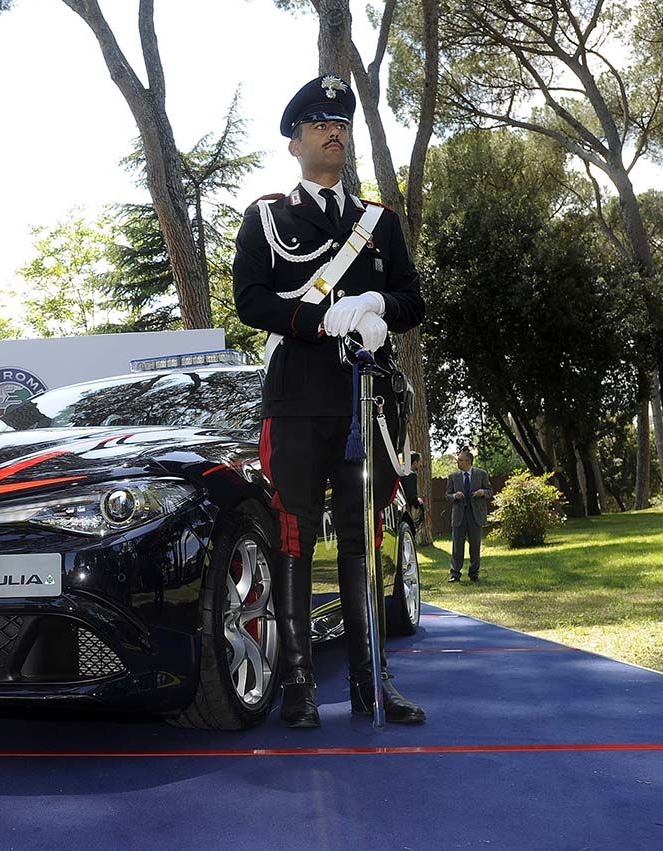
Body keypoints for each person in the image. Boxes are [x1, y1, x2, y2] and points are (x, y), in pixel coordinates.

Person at [232, 74, 427, 727]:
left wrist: (376, 304)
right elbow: (251, 299)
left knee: (361, 542)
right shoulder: (267, 217)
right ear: (294, 142)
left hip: (361, 402)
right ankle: (299, 686)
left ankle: (374, 683)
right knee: (294, 541)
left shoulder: (378, 222)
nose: (332, 131)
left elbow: (412, 299)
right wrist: (318, 320)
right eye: (317, 123)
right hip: (295, 403)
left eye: (339, 122)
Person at [447, 448, 492, 582]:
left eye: (461, 460)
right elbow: (447, 495)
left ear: (468, 461)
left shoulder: (481, 474)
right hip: (459, 515)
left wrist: (482, 492)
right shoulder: (453, 477)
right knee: (457, 546)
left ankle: (474, 574)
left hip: (475, 514)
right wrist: (455, 495)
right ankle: (455, 574)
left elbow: (490, 491)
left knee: (475, 545)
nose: (458, 462)